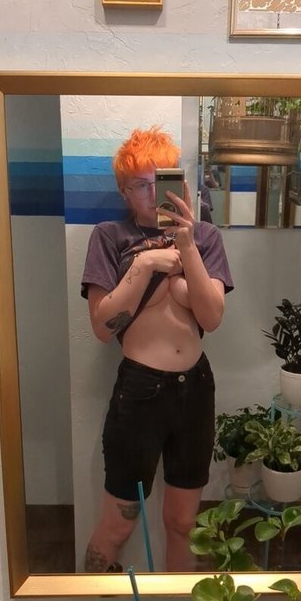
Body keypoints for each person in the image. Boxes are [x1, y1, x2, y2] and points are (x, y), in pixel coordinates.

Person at [81, 126, 234, 572]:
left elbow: (212, 318)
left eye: (162, 181)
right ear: (124, 192)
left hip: (195, 389)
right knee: (119, 523)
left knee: (183, 523)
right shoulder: (110, 236)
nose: (153, 194)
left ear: (180, 183)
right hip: (139, 391)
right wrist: (146, 263)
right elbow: (103, 327)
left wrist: (186, 244)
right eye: (141, 185)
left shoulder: (205, 237)